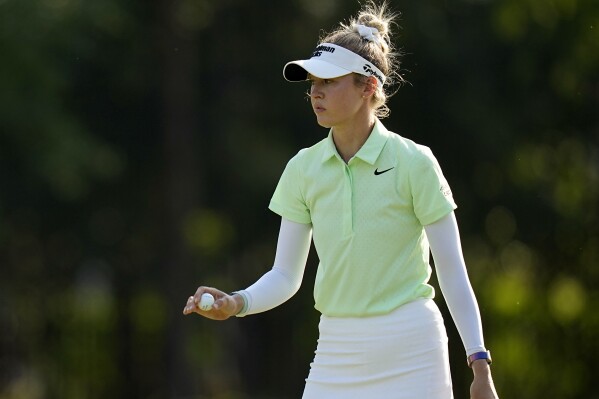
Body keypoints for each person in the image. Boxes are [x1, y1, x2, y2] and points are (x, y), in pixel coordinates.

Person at [183, 2, 499, 398]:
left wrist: (479, 363)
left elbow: (452, 274)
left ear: (369, 86)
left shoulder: (415, 162)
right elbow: (285, 276)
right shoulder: (304, 168)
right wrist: (238, 302)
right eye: (312, 82)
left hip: (412, 346)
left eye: (329, 81)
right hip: (336, 347)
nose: (315, 91)